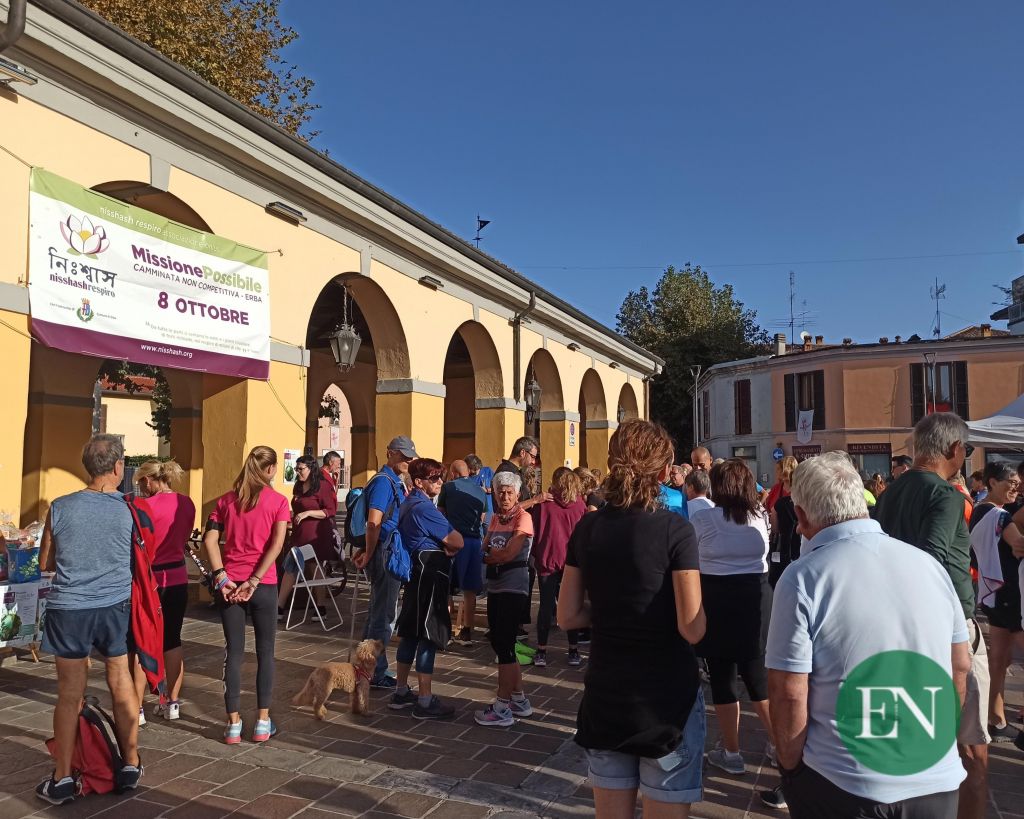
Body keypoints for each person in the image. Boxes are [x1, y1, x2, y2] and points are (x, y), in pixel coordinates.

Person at [767, 451, 970, 818]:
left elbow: (788, 691)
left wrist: (790, 765)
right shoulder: (929, 566)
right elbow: (959, 666)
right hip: (934, 777)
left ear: (801, 516)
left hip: (844, 780)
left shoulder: (803, 577)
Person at [558, 419, 706, 817]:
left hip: (607, 696)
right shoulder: (676, 530)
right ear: (664, 472)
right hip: (665, 702)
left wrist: (612, 609)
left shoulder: (588, 527)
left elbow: (567, 615)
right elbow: (692, 627)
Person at [875, 413, 990, 819]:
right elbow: (931, 559)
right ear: (955, 449)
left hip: (900, 628)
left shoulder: (890, 493)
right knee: (972, 752)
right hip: (947, 631)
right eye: (967, 449)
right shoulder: (946, 495)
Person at [36, 434, 143, 804]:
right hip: (115, 605)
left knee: (69, 694)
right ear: (118, 467)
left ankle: (63, 777)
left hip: (70, 608)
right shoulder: (129, 510)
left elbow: (45, 562)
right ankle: (130, 763)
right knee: (120, 678)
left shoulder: (60, 507)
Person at [689, 459, 774, 777]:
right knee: (757, 677)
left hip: (718, 598)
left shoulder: (704, 519)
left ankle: (732, 751)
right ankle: (780, 746)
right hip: (755, 597)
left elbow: (691, 557)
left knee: (723, 679)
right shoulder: (759, 516)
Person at [204, 446, 290, 744]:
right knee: (266, 652)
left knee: (234, 652)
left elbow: (210, 540)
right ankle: (262, 722)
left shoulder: (226, 501)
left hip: (230, 583)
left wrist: (221, 576)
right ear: (271, 469)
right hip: (263, 584)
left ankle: (233, 724)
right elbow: (277, 545)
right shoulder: (279, 502)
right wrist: (254, 580)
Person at [390, 458, 464, 719]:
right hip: (430, 572)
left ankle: (401, 690)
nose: (440, 482)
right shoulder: (424, 508)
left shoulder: (408, 503)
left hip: (416, 572)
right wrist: (448, 544)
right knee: (428, 634)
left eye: (440, 477)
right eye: (434, 478)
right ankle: (424, 699)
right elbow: (457, 540)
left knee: (410, 632)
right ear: (419, 482)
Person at [132, 459, 196, 722]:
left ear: (148, 480)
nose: (141, 489)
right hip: (178, 577)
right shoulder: (187, 503)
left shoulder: (144, 506)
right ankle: (172, 703)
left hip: (150, 580)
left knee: (142, 641)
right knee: (172, 639)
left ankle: (137, 708)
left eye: (140, 483)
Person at [353, 436, 417, 688]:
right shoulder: (384, 483)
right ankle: (375, 672)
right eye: (403, 455)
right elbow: (373, 522)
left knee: (377, 613)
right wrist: (369, 553)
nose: (407, 460)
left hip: (384, 549)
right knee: (384, 616)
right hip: (385, 552)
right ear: (390, 453)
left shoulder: (393, 481)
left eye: (410, 456)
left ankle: (365, 667)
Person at [474, 470, 535, 726]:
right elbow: (484, 547)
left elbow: (509, 553)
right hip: (496, 586)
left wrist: (491, 556)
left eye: (510, 492)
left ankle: (502, 707)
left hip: (514, 586)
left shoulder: (524, 518)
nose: (505, 496)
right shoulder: (497, 518)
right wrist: (491, 555)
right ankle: (519, 699)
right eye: (501, 492)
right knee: (500, 644)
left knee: (505, 646)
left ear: (518, 495)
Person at [969, 463, 1024, 742]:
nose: (1015, 488)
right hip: (1010, 594)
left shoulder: (981, 510)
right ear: (992, 482)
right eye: (1010, 483)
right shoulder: (998, 515)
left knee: (999, 659)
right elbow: (1019, 544)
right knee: (1000, 658)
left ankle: (996, 719)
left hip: (994, 594)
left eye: (1017, 484)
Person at [532, 467, 587, 669]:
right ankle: (573, 650)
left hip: (548, 558)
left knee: (546, 606)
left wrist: (536, 553)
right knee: (572, 606)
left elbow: (535, 530)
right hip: (572, 562)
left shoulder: (544, 504)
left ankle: (541, 650)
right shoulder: (580, 505)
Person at [276, 455, 339, 618]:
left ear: (311, 469)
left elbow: (330, 511)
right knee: (291, 565)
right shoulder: (298, 486)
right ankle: (279, 606)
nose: (297, 472)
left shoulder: (323, 486)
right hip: (299, 533)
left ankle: (321, 606)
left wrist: (308, 513)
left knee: (314, 566)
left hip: (316, 534)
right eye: (296, 469)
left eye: (301, 469)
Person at [437, 459, 486, 646]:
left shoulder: (448, 488)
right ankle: (467, 631)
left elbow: (440, 513)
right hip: (474, 542)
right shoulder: (480, 491)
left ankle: (446, 631)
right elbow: (482, 517)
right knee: (470, 590)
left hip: (453, 540)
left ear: (453, 473)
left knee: (447, 587)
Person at [767, 456, 801, 589]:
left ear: (785, 470)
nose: (775, 472)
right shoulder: (776, 489)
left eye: (778, 469)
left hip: (797, 537)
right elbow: (769, 507)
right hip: (781, 539)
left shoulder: (800, 489)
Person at [495, 436, 551, 511]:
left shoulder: (516, 471)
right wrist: (536, 500)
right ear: (522, 453)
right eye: (532, 457)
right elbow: (508, 509)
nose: (533, 462)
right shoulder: (506, 473)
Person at [466, 453, 494, 525]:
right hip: (474, 513)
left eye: (478, 469)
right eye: (473, 469)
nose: (476, 471)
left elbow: (498, 487)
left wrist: (487, 490)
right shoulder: (466, 477)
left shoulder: (488, 471)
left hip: (489, 512)